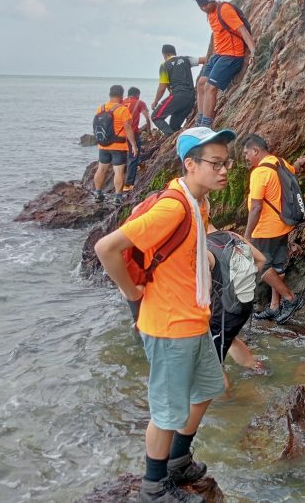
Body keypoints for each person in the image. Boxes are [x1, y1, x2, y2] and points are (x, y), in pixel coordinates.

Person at [94, 126, 237, 503]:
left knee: (208, 388)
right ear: (190, 164)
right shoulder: (173, 206)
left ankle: (178, 460)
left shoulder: (198, 203)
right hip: (169, 327)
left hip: (194, 319)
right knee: (167, 413)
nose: (224, 170)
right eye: (216, 163)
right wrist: (132, 292)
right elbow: (106, 247)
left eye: (227, 163)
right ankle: (153, 486)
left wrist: (206, 256)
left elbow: (192, 244)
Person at [242, 134, 305, 324]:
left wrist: (247, 236)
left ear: (256, 150)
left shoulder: (260, 172)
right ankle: (274, 307)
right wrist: (299, 164)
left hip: (265, 229)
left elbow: (256, 207)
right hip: (282, 225)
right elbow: (292, 171)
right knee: (277, 266)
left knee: (261, 266)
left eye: (247, 153)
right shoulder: (279, 162)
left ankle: (291, 299)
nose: (246, 157)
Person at [206, 227, 268, 387]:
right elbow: (261, 259)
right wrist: (243, 286)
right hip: (244, 305)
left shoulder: (202, 248)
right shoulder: (232, 235)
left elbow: (202, 292)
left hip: (222, 312)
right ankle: (257, 368)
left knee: (212, 362)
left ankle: (228, 405)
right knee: (229, 338)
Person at [191, 0, 255, 128]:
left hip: (232, 56)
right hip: (218, 55)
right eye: (201, 7)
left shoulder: (225, 10)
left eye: (205, 5)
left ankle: (206, 125)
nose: (204, 8)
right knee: (201, 83)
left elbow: (243, 30)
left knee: (210, 87)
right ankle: (200, 120)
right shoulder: (210, 14)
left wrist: (253, 51)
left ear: (210, 0)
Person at [94, 85, 137, 205]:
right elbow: (128, 128)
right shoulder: (122, 109)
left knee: (101, 168)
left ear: (110, 94)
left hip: (103, 145)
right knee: (119, 171)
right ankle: (118, 197)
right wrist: (133, 145)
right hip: (118, 145)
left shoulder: (100, 108)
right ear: (122, 96)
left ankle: (98, 193)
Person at [152, 44, 205, 136]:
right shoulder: (185, 59)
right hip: (190, 98)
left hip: (177, 96)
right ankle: (177, 137)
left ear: (165, 55)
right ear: (174, 53)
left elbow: (162, 87)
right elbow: (205, 60)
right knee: (174, 126)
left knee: (156, 117)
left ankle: (173, 138)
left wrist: (155, 102)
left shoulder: (164, 65)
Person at [122, 87, 154, 192]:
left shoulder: (122, 102)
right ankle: (128, 184)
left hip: (120, 133)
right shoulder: (139, 103)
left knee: (123, 156)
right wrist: (149, 130)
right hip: (132, 133)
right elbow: (147, 117)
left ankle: (139, 164)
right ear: (138, 95)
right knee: (133, 157)